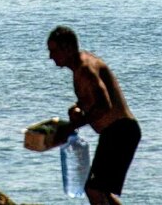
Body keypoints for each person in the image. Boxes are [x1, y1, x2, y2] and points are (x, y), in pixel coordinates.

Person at [47, 26, 141, 205]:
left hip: (120, 131)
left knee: (94, 189)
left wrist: (71, 127)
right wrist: (77, 107)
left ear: (67, 48)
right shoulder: (80, 67)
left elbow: (105, 105)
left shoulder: (85, 69)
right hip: (118, 132)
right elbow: (93, 99)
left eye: (54, 50)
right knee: (100, 190)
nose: (50, 56)